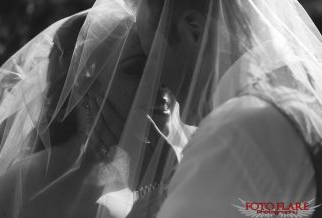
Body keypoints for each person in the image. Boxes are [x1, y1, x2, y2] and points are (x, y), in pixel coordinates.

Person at [0, 1, 191, 217]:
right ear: (85, 81)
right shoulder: (23, 186)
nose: (161, 82)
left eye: (163, 67)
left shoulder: (177, 171)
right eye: (137, 68)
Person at [129, 0, 322, 217]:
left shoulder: (237, 128)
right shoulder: (306, 82)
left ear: (193, 29)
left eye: (152, 57)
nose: (155, 82)